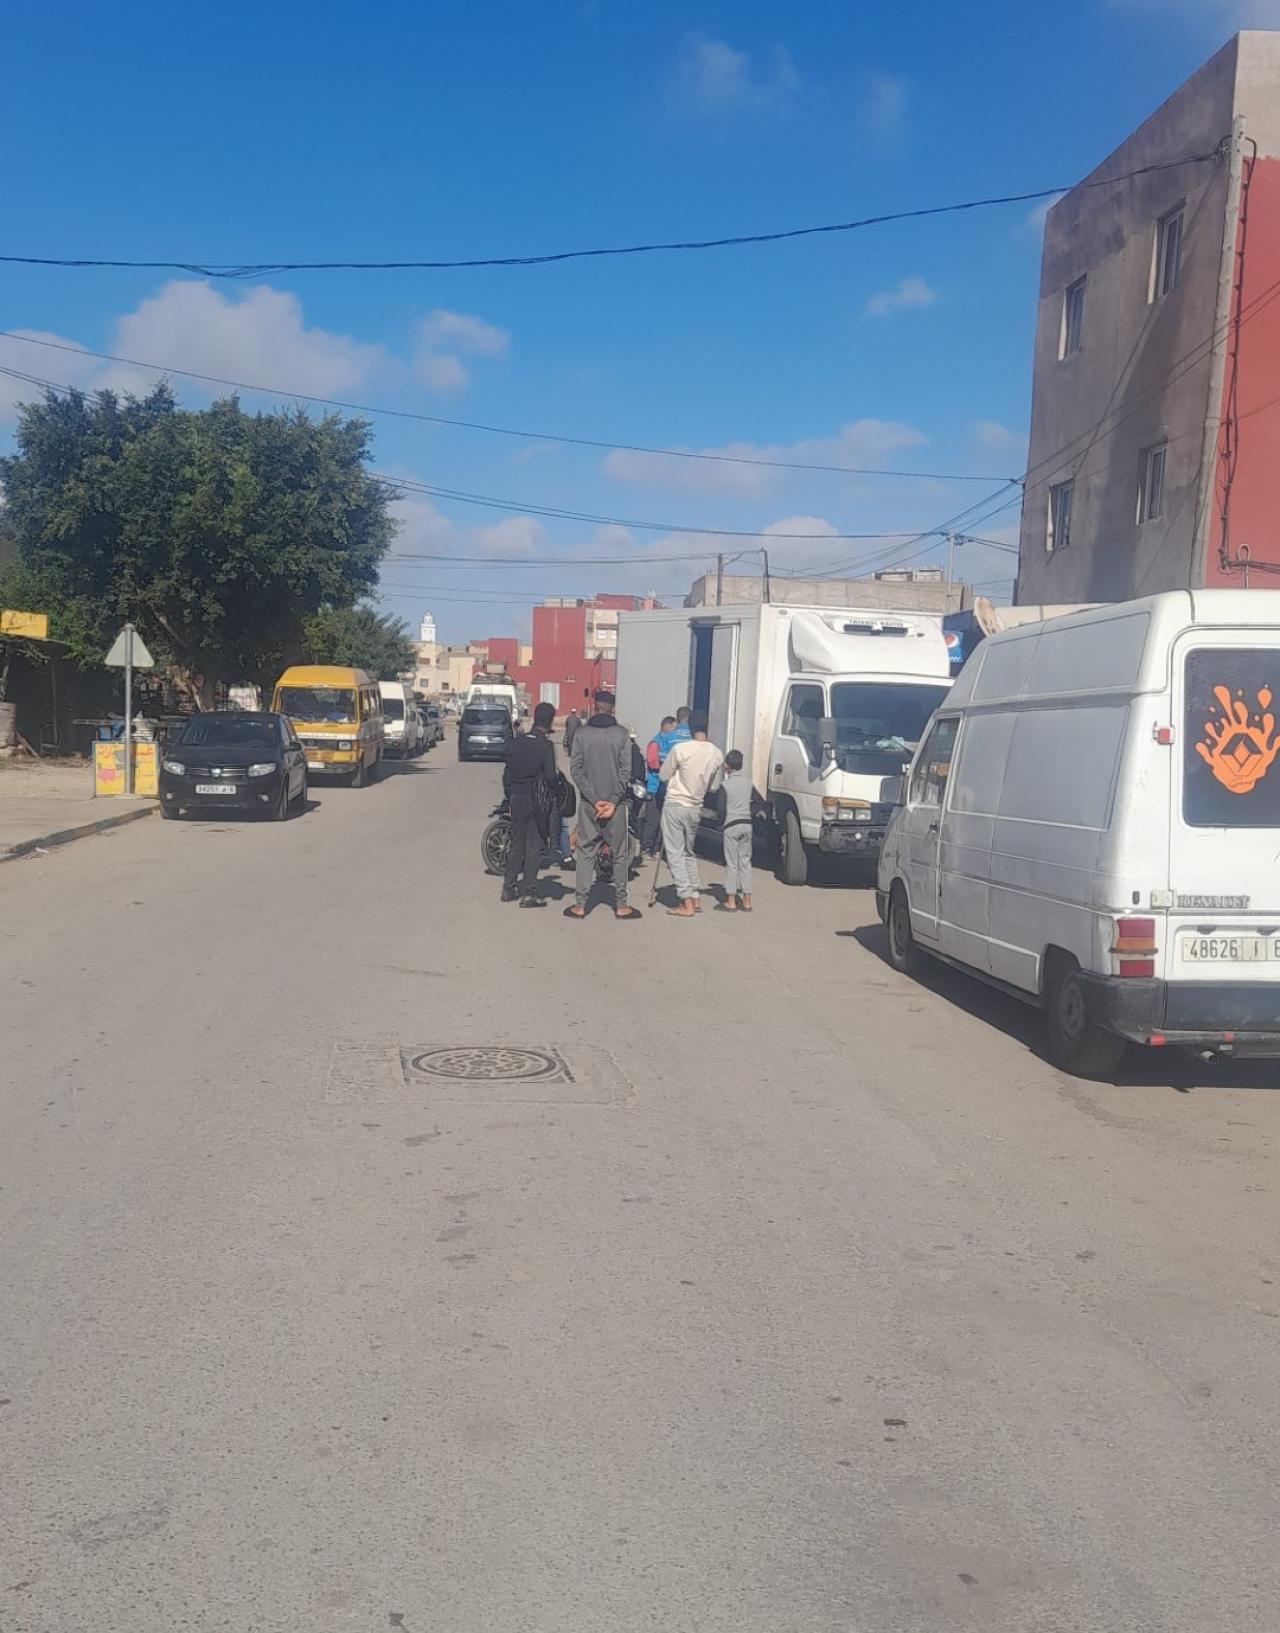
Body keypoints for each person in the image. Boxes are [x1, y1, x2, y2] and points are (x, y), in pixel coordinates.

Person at [567, 689, 642, 921]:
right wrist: (612, 801)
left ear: (594, 706)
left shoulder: (581, 734)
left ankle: (580, 904)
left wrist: (593, 798)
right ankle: (621, 905)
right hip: (615, 806)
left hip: (589, 806)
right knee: (619, 853)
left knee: (585, 852)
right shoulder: (622, 735)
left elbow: (575, 769)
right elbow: (625, 771)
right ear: (613, 708)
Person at [660, 709, 724, 918]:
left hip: (675, 804)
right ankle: (695, 896)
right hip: (696, 807)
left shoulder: (681, 749)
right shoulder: (716, 753)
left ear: (689, 727)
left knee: (675, 854)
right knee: (689, 852)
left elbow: (663, 775)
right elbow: (714, 786)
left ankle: (685, 900)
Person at [500, 700, 557, 907]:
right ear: (550, 722)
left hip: (517, 798)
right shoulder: (546, 746)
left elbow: (507, 775)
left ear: (534, 718)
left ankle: (508, 888)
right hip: (536, 802)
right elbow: (550, 777)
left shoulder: (517, 743)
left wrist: (510, 796)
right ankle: (529, 893)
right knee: (534, 846)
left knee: (516, 845)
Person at [715, 749, 753, 913]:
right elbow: (758, 801)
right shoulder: (749, 783)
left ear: (727, 766)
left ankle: (730, 900)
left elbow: (721, 809)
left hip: (732, 825)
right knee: (745, 862)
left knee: (732, 863)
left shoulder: (725, 786)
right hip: (747, 825)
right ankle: (747, 900)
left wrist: (720, 824)